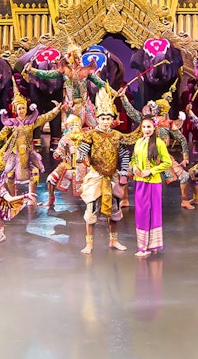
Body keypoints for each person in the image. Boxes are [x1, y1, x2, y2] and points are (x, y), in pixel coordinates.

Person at [78, 89, 133, 254]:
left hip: (112, 176)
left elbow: (124, 155)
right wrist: (80, 155)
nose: (105, 121)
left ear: (112, 119)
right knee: (91, 210)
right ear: (98, 119)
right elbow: (84, 147)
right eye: (102, 118)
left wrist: (124, 172)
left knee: (115, 210)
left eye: (108, 118)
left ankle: (114, 241)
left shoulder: (117, 136)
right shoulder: (92, 135)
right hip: (96, 175)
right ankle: (89, 244)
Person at [0, 88, 62, 197]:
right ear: (15, 110)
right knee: (9, 175)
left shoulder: (31, 121)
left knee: (35, 173)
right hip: (14, 153)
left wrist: (56, 110)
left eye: (23, 108)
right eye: (19, 108)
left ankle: (31, 197)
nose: (21, 110)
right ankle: (13, 197)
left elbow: (46, 117)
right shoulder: (11, 123)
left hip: (28, 153)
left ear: (27, 108)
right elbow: (0, 136)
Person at [131, 117, 173, 257]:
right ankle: (143, 245)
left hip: (153, 182)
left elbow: (167, 162)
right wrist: (135, 167)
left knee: (153, 212)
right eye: (144, 127)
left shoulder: (159, 143)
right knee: (141, 212)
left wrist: (151, 171)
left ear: (154, 128)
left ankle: (150, 246)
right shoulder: (138, 142)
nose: (146, 130)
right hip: (139, 181)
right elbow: (133, 159)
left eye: (149, 127)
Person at [45, 114, 87, 209]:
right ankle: (51, 198)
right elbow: (59, 150)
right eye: (72, 125)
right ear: (68, 127)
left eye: (77, 124)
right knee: (50, 179)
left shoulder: (86, 137)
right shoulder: (65, 138)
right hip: (68, 166)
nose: (75, 127)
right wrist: (57, 154)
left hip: (85, 167)